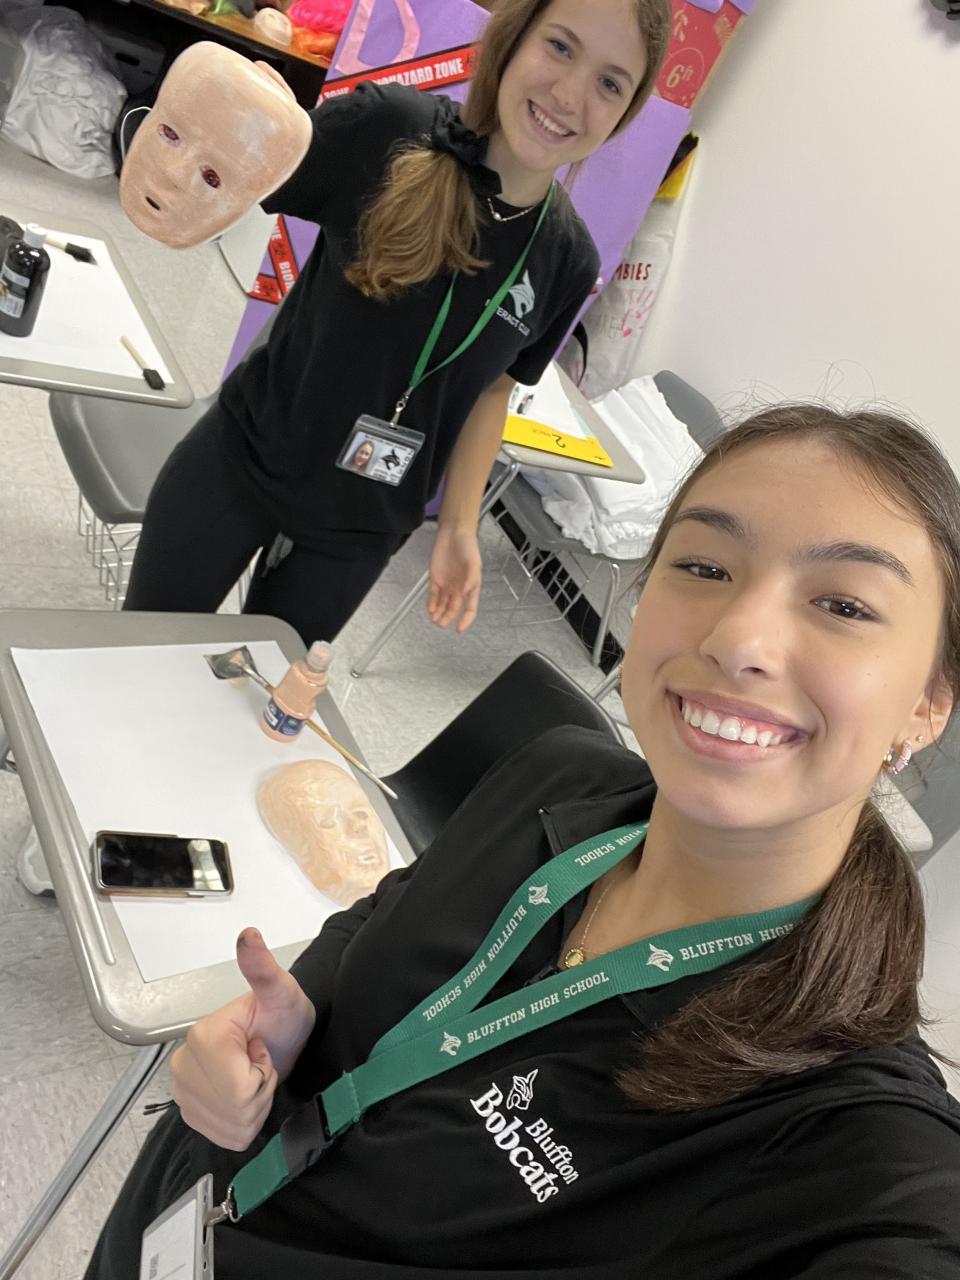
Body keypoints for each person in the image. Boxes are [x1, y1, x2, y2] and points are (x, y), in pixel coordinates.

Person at [86, 404, 960, 1278]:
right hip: (173, 1211)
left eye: (844, 604)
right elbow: (388, 913)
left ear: (929, 702)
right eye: (703, 565)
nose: (738, 640)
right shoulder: (560, 774)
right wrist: (297, 1012)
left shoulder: (851, 1140)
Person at [120, 0, 672, 644]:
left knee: (259, 689)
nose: (571, 94)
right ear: (515, 40)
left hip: (359, 528)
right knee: (137, 656)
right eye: (560, 46)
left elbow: (494, 390)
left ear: (625, 113)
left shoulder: (568, 261)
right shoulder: (387, 130)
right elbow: (240, 169)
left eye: (611, 83)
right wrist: (201, 131)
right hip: (242, 458)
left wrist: (459, 527)